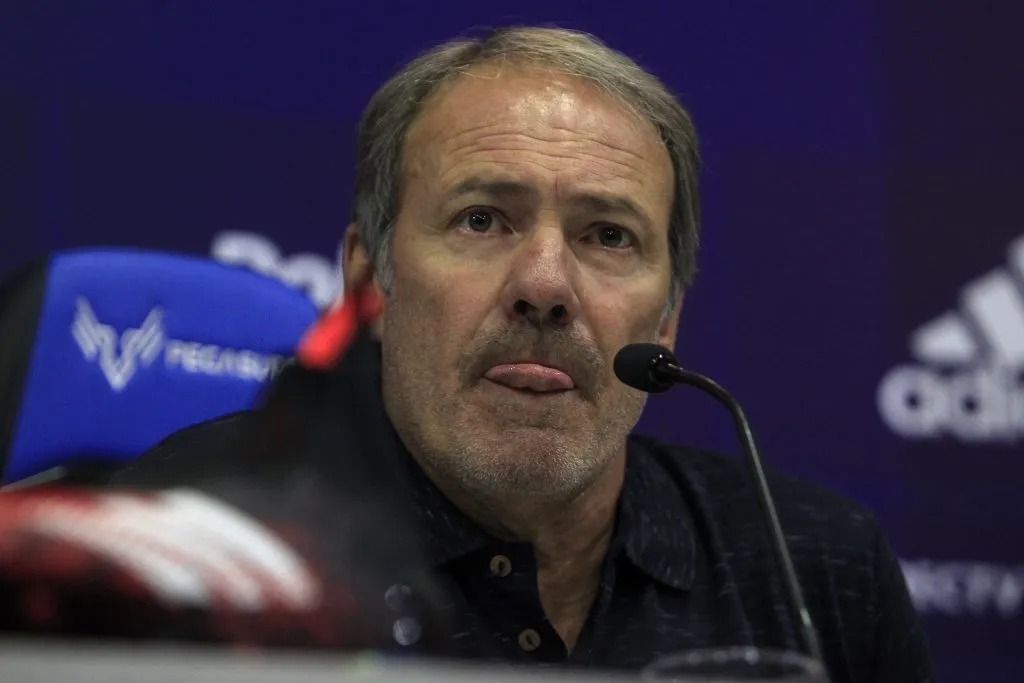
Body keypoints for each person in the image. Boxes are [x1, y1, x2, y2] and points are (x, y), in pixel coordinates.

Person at [109, 26, 933, 681]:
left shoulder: (816, 564)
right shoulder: (192, 541)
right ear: (367, 281)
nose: (545, 284)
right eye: (481, 219)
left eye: (608, 235)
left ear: (669, 316)